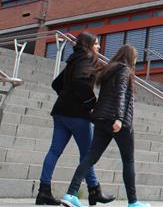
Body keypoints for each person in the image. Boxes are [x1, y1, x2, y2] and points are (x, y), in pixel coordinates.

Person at [61, 44, 149, 207]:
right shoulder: (124, 70)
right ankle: (133, 202)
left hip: (101, 119)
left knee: (91, 157)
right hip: (118, 121)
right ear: (130, 58)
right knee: (128, 161)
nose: (136, 61)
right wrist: (119, 119)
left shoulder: (109, 70)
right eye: (136, 58)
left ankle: (70, 194)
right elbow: (121, 94)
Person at [37, 33, 114, 205]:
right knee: (88, 154)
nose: (99, 47)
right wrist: (91, 103)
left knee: (54, 151)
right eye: (96, 43)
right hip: (78, 115)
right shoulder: (88, 58)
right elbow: (80, 80)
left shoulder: (73, 59)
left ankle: (43, 191)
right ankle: (94, 191)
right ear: (88, 45)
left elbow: (56, 84)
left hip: (60, 112)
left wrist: (67, 97)